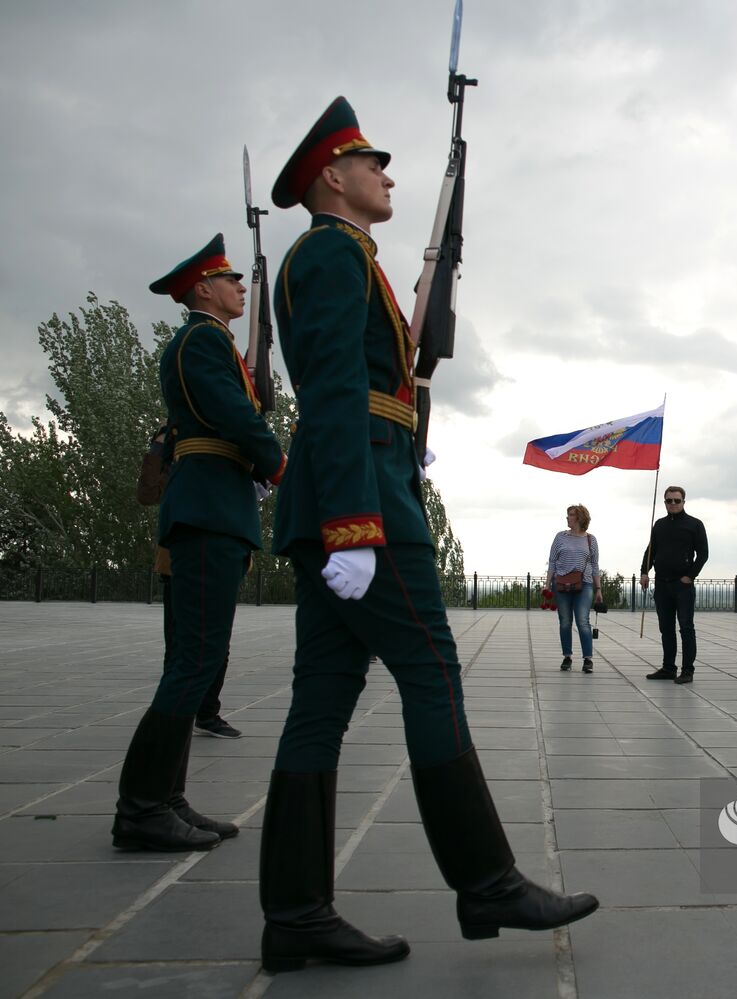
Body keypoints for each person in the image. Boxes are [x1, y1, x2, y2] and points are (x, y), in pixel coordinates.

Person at [259, 96, 596, 973]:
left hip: (362, 479)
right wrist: (354, 525)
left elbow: (366, 381)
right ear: (334, 176)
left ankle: (295, 912)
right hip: (363, 498)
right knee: (433, 673)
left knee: (321, 704)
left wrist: (405, 420)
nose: (388, 173)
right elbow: (331, 389)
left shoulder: (346, 256)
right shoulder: (331, 253)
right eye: (372, 162)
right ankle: (485, 879)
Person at [110, 235, 285, 854]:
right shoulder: (202, 339)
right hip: (209, 511)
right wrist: (277, 463)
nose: (240, 287)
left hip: (214, 509)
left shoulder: (210, 342)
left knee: (197, 660)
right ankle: (141, 808)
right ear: (202, 290)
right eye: (229, 279)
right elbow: (234, 417)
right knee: (194, 662)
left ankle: (166, 798)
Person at [136, 429, 243, 739]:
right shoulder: (171, 447)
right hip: (177, 557)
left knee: (217, 646)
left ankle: (207, 711)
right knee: (179, 645)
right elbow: (146, 494)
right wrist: (157, 453)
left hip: (220, 549)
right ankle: (172, 716)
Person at [639, 485, 709, 684]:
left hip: (682, 586)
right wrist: (645, 571)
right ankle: (668, 668)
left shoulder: (695, 524)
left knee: (686, 627)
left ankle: (688, 670)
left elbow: (703, 554)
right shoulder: (659, 525)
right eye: (669, 500)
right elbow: (650, 550)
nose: (673, 504)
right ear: (664, 502)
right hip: (662, 585)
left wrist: (690, 576)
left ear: (683, 502)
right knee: (666, 628)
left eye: (676, 500)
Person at [547, 504, 600, 673]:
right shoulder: (560, 537)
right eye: (568, 514)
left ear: (580, 518)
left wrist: (598, 588)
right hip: (561, 584)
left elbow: (595, 564)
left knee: (583, 621)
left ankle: (588, 659)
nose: (567, 518)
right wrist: (547, 584)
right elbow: (552, 561)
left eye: (570, 515)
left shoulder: (590, 540)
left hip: (584, 584)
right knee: (565, 622)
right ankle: (567, 657)